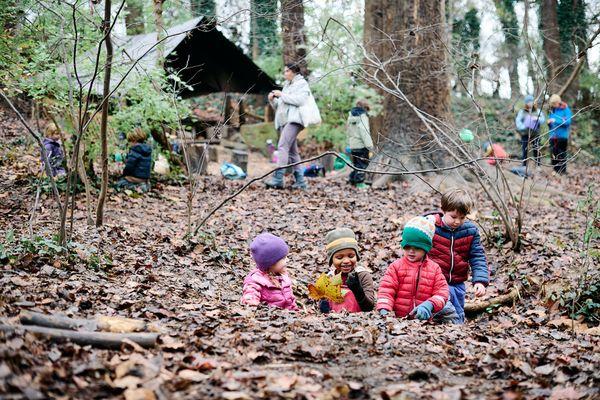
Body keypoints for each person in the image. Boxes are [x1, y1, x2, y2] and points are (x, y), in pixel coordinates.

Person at [376, 216, 457, 324]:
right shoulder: (396, 267)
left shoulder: (434, 269)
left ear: (426, 248)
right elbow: (386, 290)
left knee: (449, 310)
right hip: (398, 321)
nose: (411, 251)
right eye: (407, 246)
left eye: (417, 248)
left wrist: (430, 304)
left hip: (425, 321)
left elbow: (442, 293)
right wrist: (384, 310)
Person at [427, 189, 489, 324]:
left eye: (462, 218)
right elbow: (415, 241)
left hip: (457, 282)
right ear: (443, 210)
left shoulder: (470, 231)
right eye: (453, 217)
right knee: (440, 309)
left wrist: (480, 281)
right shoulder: (431, 226)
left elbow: (477, 256)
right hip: (434, 281)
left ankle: (457, 333)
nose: (457, 221)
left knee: (457, 313)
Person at [266, 63, 319, 190]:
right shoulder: (287, 86)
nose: (285, 74)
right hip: (286, 121)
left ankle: (278, 178)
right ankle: (301, 182)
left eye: (287, 71)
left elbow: (300, 101)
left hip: (296, 120)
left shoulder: (302, 84)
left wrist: (281, 95)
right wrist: (273, 99)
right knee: (293, 152)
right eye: (284, 71)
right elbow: (281, 106)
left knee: (282, 145)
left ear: (294, 72)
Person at [318, 228, 375, 313]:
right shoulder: (329, 278)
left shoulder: (362, 275)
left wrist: (357, 290)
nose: (346, 261)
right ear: (331, 259)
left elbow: (369, 307)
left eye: (351, 256)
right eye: (339, 258)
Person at [241, 233, 299, 311]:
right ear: (271, 263)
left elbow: (290, 301)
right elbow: (250, 298)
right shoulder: (256, 280)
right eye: (284, 258)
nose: (287, 260)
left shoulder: (282, 276)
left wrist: (297, 312)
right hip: (273, 317)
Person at [346, 100, 374, 189]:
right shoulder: (363, 117)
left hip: (353, 145)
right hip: (361, 145)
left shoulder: (350, 116)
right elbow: (364, 132)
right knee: (362, 165)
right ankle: (360, 183)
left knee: (356, 164)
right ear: (365, 108)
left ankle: (352, 180)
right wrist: (369, 146)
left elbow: (349, 131)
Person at [115, 127, 152, 192]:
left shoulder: (135, 150)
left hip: (134, 179)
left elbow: (129, 167)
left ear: (134, 140)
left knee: (118, 184)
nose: (129, 144)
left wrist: (123, 173)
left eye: (129, 141)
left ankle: (134, 188)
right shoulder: (147, 150)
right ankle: (144, 187)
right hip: (144, 179)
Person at [515, 94, 545, 166]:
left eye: (531, 101)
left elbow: (543, 120)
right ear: (526, 103)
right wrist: (524, 126)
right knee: (524, 150)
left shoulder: (537, 111)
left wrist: (537, 119)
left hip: (535, 134)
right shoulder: (522, 111)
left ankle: (538, 165)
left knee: (536, 150)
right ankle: (524, 165)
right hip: (525, 134)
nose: (530, 103)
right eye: (528, 102)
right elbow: (518, 122)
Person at [547, 94, 572, 175]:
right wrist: (549, 123)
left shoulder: (565, 109)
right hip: (553, 136)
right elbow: (551, 122)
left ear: (559, 102)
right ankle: (555, 170)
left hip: (562, 136)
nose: (554, 105)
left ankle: (562, 171)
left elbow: (568, 122)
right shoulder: (553, 110)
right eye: (552, 104)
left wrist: (555, 120)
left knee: (561, 154)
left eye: (555, 103)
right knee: (553, 153)